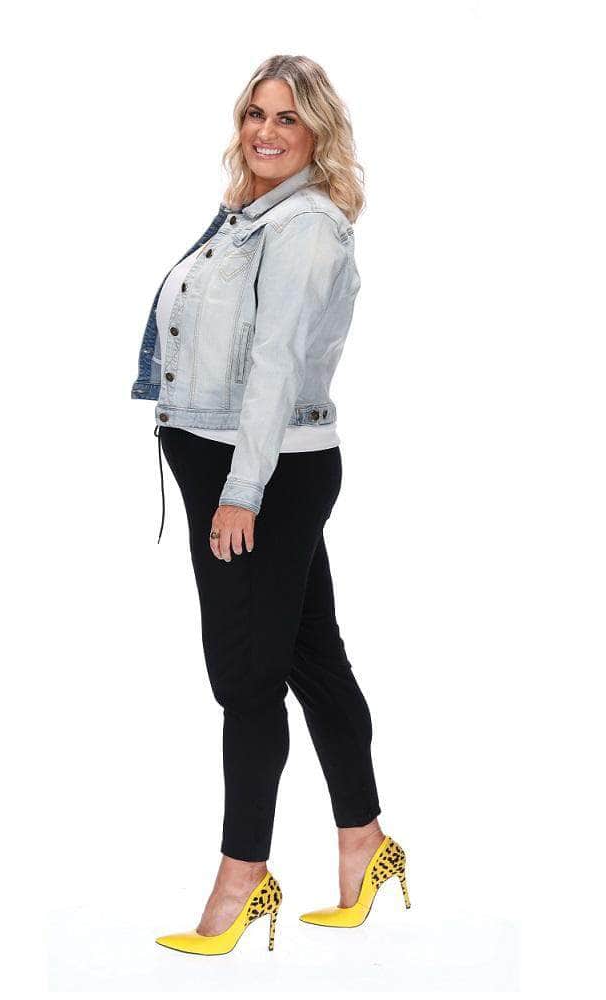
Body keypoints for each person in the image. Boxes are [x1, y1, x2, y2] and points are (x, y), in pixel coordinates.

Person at [131, 54, 410, 957]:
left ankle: (242, 877)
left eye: (287, 117)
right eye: (256, 113)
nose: (265, 131)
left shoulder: (304, 229)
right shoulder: (252, 216)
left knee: (245, 681)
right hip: (244, 467)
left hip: (260, 477)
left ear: (318, 131)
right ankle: (365, 843)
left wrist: (240, 493)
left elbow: (276, 366)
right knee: (311, 658)